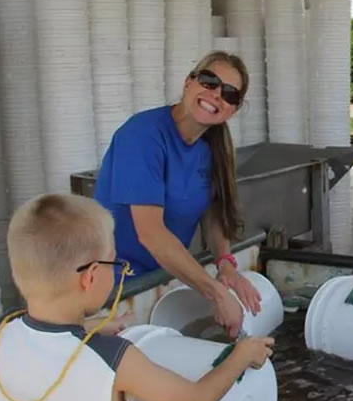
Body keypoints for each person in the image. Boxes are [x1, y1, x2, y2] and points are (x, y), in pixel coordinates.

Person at [0, 194, 273, 401]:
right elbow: (196, 399)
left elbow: (49, 343)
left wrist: (91, 325)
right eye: (115, 262)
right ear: (90, 277)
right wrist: (241, 355)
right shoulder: (113, 360)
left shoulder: (4, 335)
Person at [94, 51, 259, 337]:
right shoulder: (142, 136)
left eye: (230, 94)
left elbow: (212, 212)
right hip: (115, 288)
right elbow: (151, 233)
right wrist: (217, 294)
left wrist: (225, 263)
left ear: (233, 109)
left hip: (159, 280)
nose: (217, 94)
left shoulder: (211, 147)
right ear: (189, 82)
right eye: (210, 81)